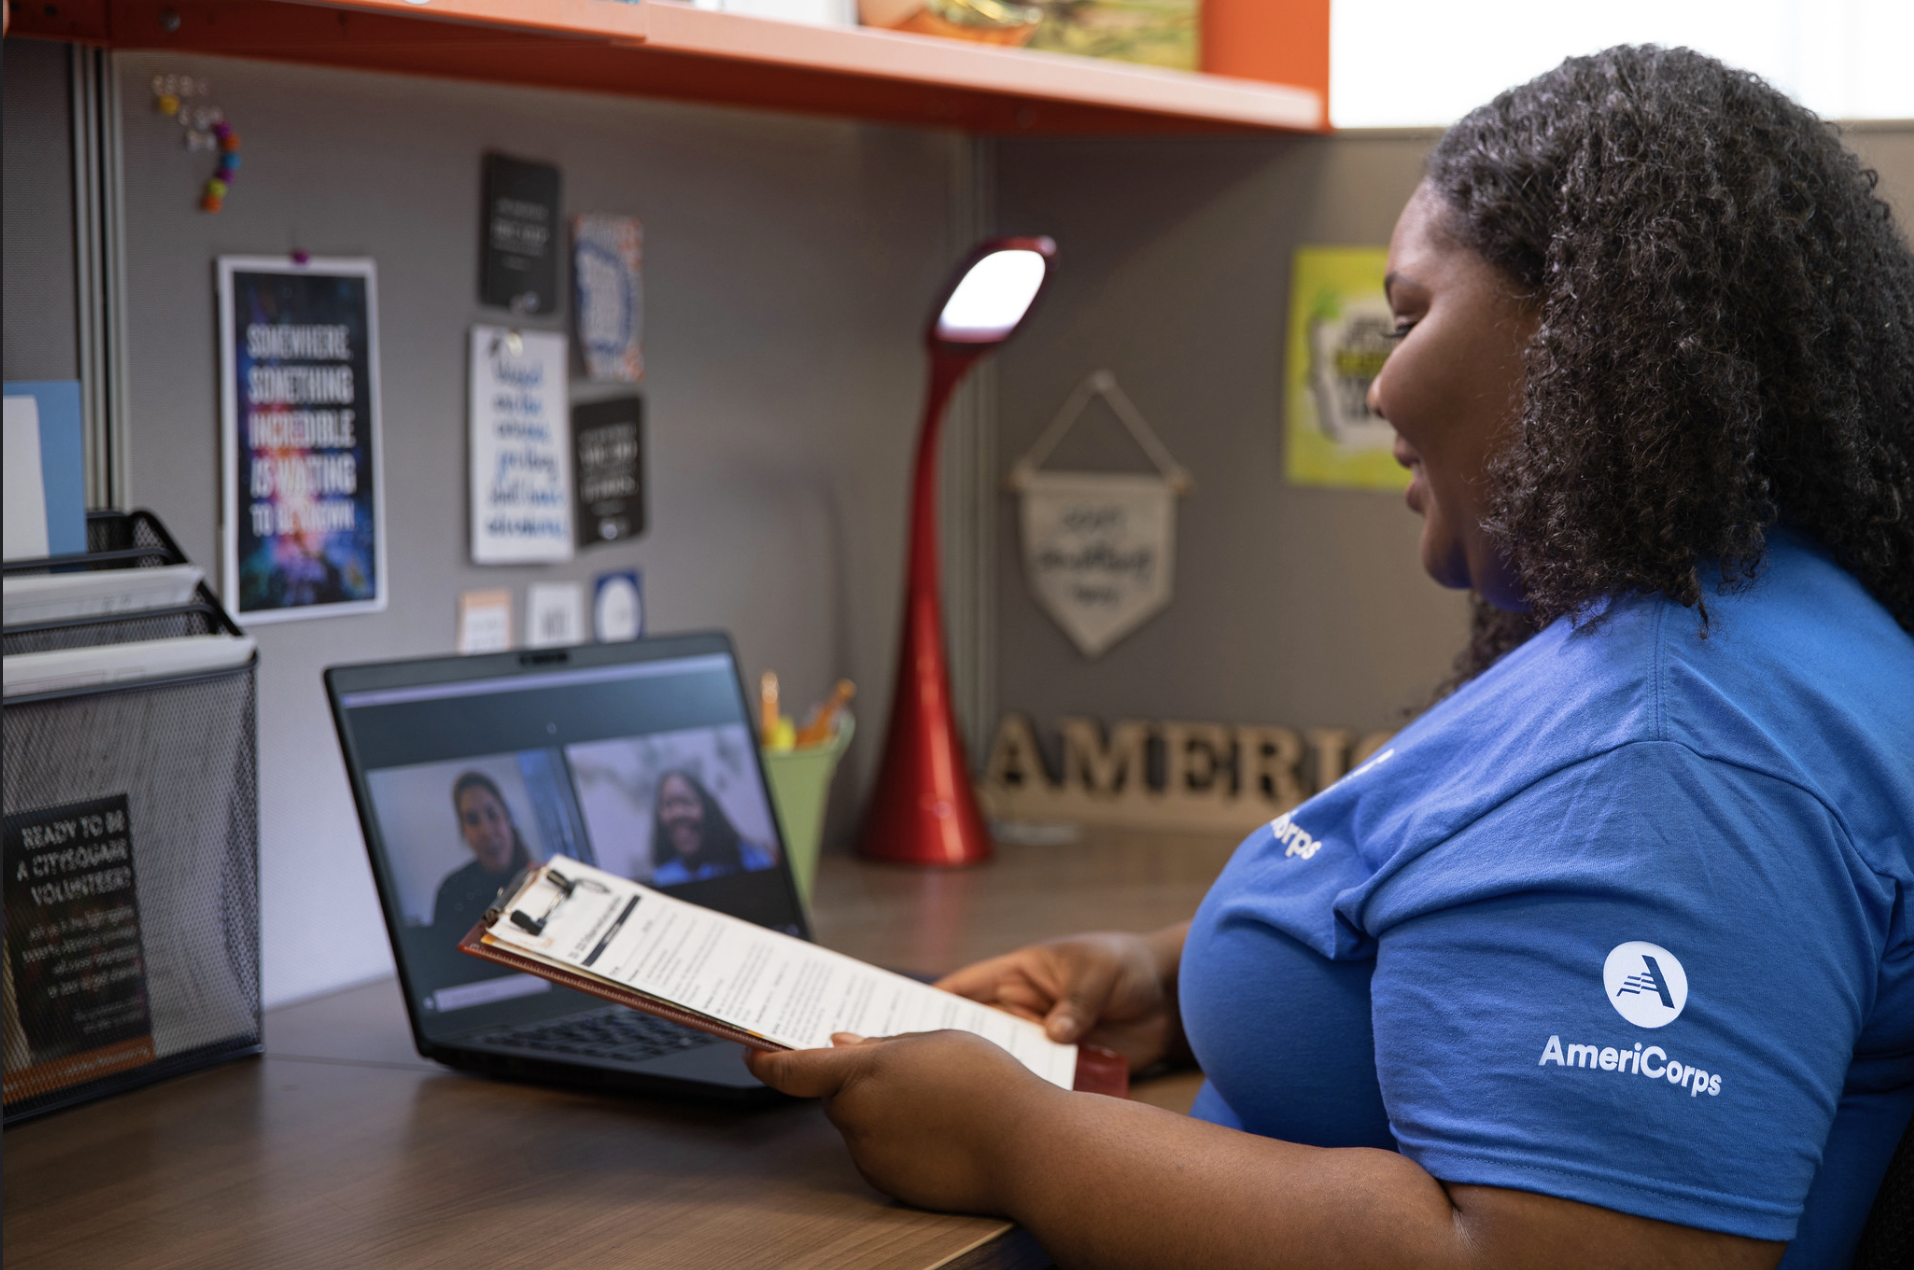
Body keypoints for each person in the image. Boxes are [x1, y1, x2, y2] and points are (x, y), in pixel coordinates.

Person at [744, 46, 1914, 1269]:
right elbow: (1486, 913)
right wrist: (1177, 978)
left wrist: (1016, 1139)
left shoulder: (1679, 748)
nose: (1378, 393)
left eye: (1408, 317)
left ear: (1585, 331)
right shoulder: (1727, 618)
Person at [431, 771, 536, 937]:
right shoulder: (451, 892)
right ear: (464, 830)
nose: (486, 831)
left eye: (492, 815)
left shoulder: (541, 879)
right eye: (473, 820)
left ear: (507, 817)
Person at [648, 770, 774, 886]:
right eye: (668, 805)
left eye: (686, 802)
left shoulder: (750, 859)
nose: (678, 814)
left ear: (707, 808)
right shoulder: (661, 878)